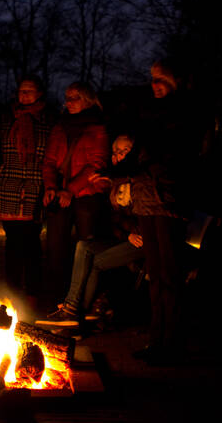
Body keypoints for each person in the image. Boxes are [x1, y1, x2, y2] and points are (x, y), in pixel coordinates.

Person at [128, 59, 196, 364]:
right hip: (146, 199)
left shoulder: (183, 114)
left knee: (169, 275)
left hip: (167, 201)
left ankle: (173, 342)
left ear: (175, 82)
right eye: (152, 80)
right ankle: (157, 339)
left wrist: (148, 163)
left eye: (161, 80)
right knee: (155, 275)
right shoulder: (149, 114)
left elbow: (175, 156)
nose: (155, 85)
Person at [36, 134, 143, 328]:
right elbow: (114, 219)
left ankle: (74, 311)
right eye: (116, 152)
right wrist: (125, 232)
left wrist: (133, 232)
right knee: (84, 246)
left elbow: (145, 214)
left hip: (143, 240)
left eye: (124, 151)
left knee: (93, 262)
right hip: (126, 237)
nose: (119, 155)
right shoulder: (117, 181)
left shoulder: (140, 179)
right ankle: (73, 311)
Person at [42, 82, 110, 302]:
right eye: (67, 97)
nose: (69, 102)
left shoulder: (98, 127)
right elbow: (50, 160)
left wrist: (70, 190)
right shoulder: (60, 127)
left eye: (75, 98)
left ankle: (87, 301)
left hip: (87, 196)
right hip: (61, 193)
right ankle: (56, 300)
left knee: (87, 250)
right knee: (55, 249)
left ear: (87, 100)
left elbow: (96, 164)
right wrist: (51, 187)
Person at [0, 75, 55, 306]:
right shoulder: (7, 119)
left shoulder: (47, 121)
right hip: (9, 188)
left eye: (29, 91)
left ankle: (33, 292)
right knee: (12, 244)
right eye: (21, 91)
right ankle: (13, 291)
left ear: (39, 94)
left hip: (34, 187)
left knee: (32, 244)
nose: (24, 95)